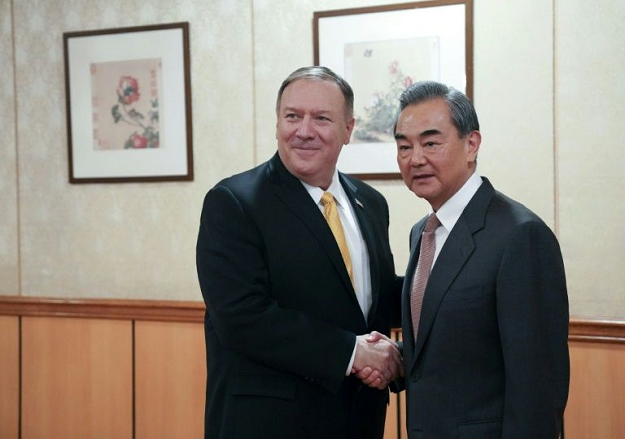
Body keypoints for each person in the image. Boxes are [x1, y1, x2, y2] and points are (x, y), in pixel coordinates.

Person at [196, 66, 403, 439]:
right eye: (293, 116)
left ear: (348, 130)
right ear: (278, 122)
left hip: (359, 421)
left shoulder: (371, 203)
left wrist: (449, 291)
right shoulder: (234, 202)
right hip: (269, 424)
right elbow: (241, 317)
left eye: (321, 118)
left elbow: (376, 299)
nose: (304, 131)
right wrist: (353, 353)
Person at [392, 80, 569, 437]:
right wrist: (394, 357)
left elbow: (537, 390)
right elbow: (451, 345)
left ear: (471, 144)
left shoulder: (520, 235)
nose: (416, 158)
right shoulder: (421, 233)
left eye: (430, 142)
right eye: (404, 146)